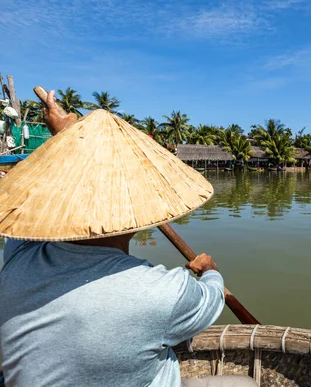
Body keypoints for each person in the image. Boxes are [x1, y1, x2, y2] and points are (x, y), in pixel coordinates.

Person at [0, 91, 228, 386]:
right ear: (139, 205)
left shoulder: (18, 257)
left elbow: (32, 206)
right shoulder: (164, 293)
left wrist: (68, 139)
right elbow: (213, 297)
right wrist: (210, 270)